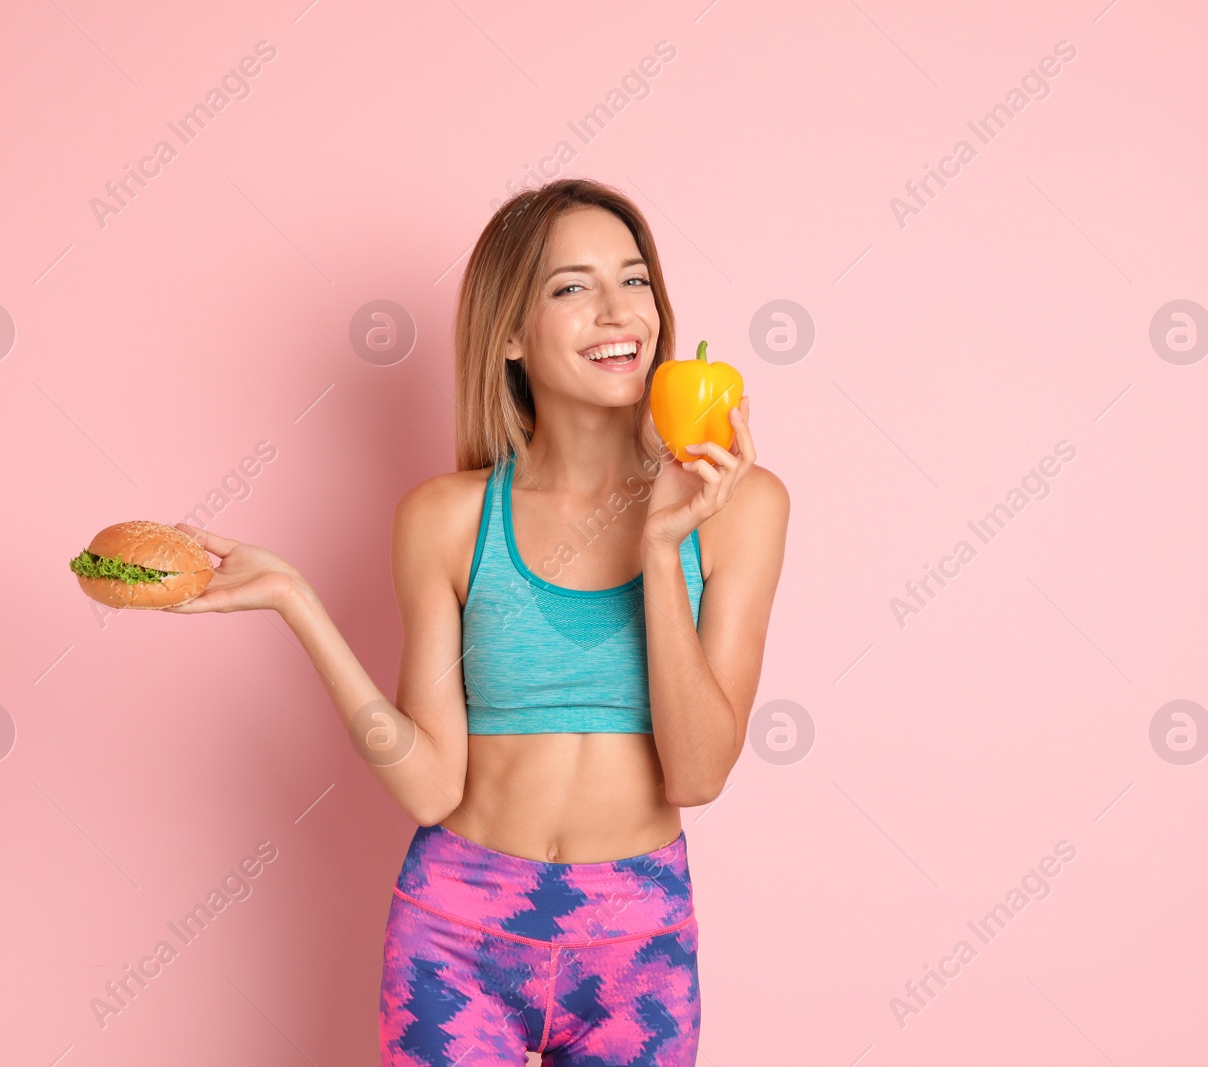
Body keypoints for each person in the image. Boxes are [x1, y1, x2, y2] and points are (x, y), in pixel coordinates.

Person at [165, 178, 789, 1065]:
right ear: (508, 334)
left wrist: (660, 547)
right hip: (455, 933)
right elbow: (428, 788)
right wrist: (298, 603)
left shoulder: (742, 505)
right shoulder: (445, 519)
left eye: (635, 279)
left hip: (639, 945)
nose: (619, 311)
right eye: (572, 287)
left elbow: (697, 771)